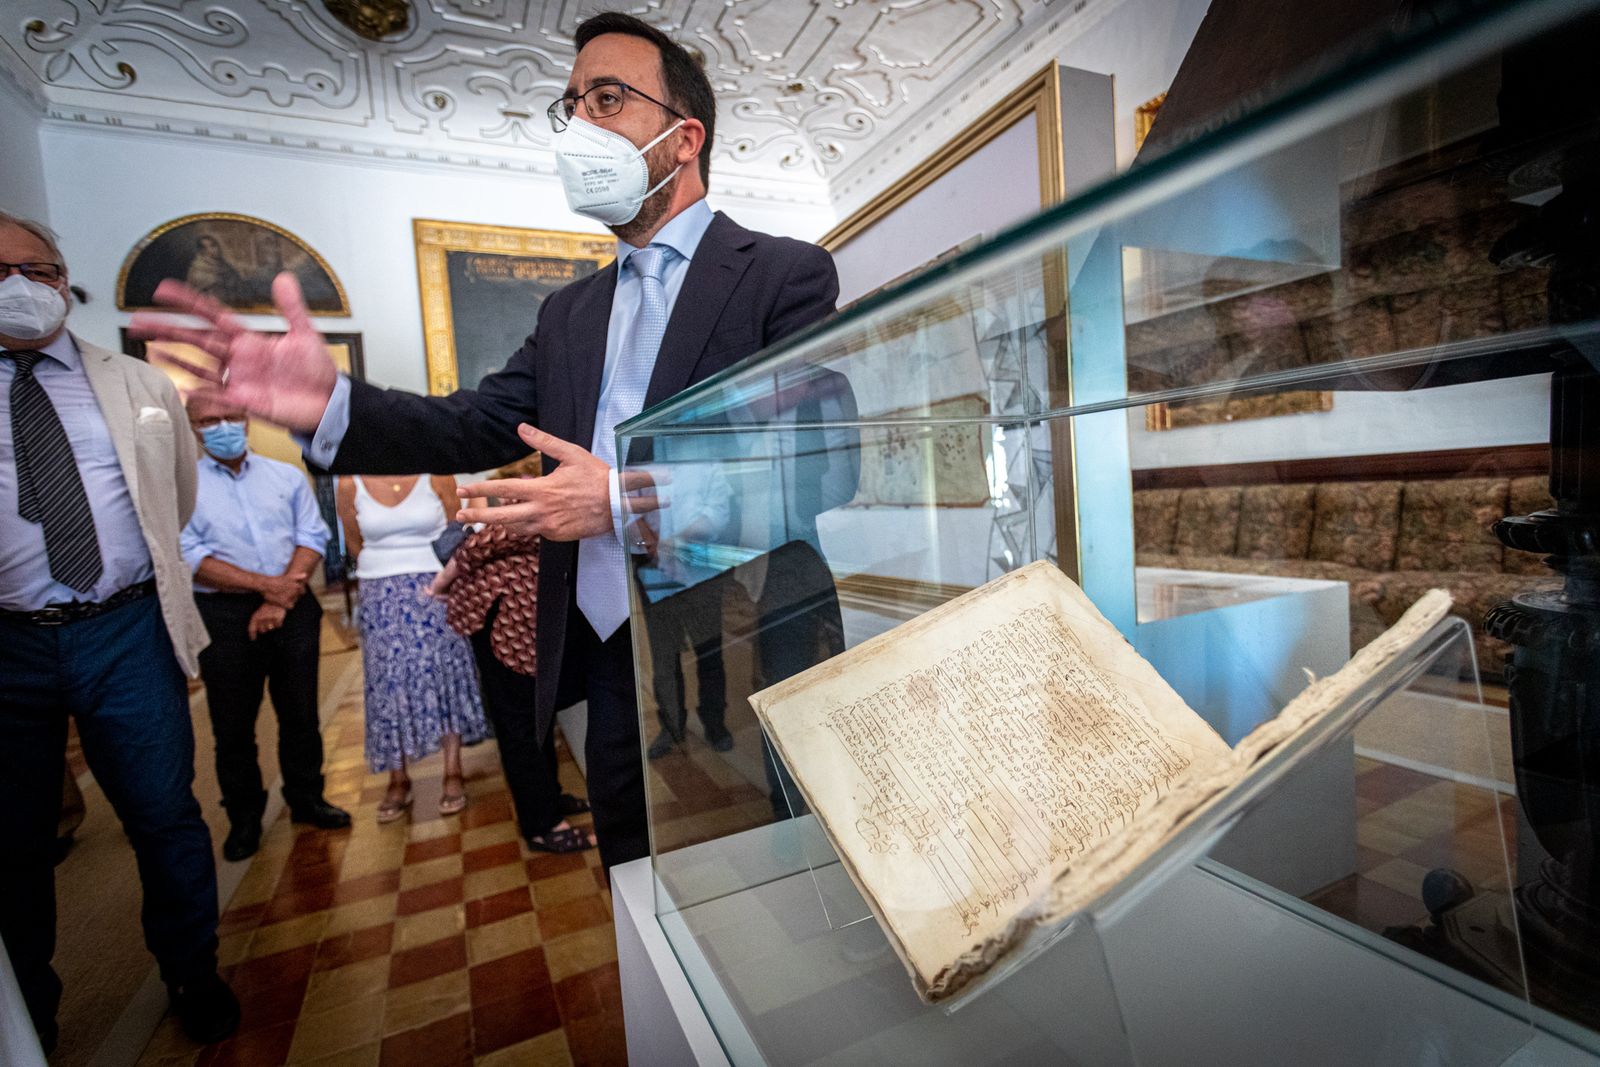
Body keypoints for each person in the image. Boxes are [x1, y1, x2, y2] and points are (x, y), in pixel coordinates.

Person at [131, 11, 843, 873]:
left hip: (737, 628)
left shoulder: (782, 274)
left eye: (607, 98)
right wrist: (328, 403)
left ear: (684, 136)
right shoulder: (570, 312)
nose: (579, 123)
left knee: (781, 860)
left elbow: (816, 463)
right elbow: (471, 421)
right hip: (604, 644)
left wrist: (620, 498)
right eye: (570, 104)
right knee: (636, 869)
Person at [0, 211, 238, 1050]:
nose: (21, 288)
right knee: (15, 841)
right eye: (0, 271)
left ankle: (191, 969)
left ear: (65, 279)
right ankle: (29, 1011)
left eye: (40, 270)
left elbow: (174, 496)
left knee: (164, 812)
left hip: (124, 626)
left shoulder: (138, 386)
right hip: (11, 641)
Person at [180, 395, 351, 862]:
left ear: (246, 420)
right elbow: (190, 556)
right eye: (210, 420)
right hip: (224, 616)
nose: (223, 427)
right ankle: (244, 818)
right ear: (192, 427)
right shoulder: (181, 486)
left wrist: (282, 594)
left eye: (231, 417)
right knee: (233, 724)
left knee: (300, 713)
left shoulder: (284, 476)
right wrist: (268, 589)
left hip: (294, 608)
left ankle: (307, 798)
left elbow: (312, 536)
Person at [433, 507, 595, 853]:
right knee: (519, 722)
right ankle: (542, 824)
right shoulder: (522, 505)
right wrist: (440, 582)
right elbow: (480, 545)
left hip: (527, 620)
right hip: (503, 621)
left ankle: (549, 798)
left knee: (539, 715)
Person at [335, 473, 488, 820]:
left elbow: (455, 531)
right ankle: (397, 778)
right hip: (380, 591)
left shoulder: (437, 475)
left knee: (445, 672)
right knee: (389, 682)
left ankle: (453, 770)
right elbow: (354, 541)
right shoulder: (349, 483)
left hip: (435, 585)